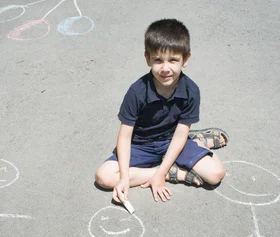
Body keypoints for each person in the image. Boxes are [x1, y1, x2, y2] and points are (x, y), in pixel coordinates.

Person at [94, 18, 228, 203]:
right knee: (104, 177)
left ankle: (191, 142)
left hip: (171, 140)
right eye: (158, 60)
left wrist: (159, 169)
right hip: (141, 144)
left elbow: (180, 134)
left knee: (215, 174)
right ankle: (173, 173)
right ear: (147, 59)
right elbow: (125, 136)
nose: (165, 68)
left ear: (186, 59)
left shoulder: (191, 91)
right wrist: (126, 178)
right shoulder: (137, 92)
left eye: (173, 60)